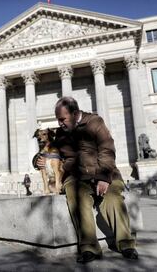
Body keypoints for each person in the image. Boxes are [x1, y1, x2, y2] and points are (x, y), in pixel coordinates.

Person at [38, 97, 138, 262]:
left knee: (112, 198)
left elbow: (107, 149)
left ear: (75, 113)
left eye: (62, 119)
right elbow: (52, 152)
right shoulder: (61, 133)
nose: (60, 123)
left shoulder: (95, 122)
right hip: (77, 177)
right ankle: (89, 248)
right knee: (77, 197)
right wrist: (38, 160)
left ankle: (126, 244)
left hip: (105, 173)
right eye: (57, 119)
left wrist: (104, 176)